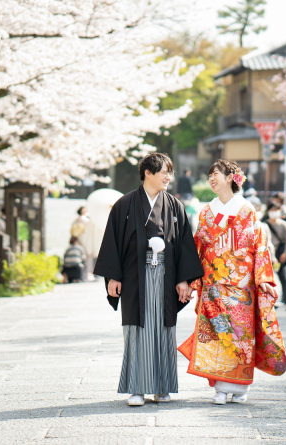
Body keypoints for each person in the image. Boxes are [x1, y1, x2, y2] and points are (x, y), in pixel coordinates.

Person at [94, 153, 203, 406]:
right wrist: (113, 277)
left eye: (170, 172)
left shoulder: (175, 206)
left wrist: (184, 280)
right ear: (147, 173)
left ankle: (162, 387)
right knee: (137, 329)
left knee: (164, 329)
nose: (168, 177)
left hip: (166, 275)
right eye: (164, 172)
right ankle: (137, 388)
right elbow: (112, 242)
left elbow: (184, 244)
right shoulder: (124, 204)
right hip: (134, 276)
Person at [179, 160, 286, 405]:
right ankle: (220, 388)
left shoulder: (246, 209)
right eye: (210, 174)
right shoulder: (207, 211)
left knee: (240, 337)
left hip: (241, 286)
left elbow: (259, 246)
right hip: (213, 284)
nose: (211, 178)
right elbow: (198, 246)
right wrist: (191, 279)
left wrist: (263, 278)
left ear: (231, 177)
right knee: (217, 335)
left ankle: (239, 387)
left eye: (216, 173)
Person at [265, 200, 286, 311]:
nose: (274, 212)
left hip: (281, 253)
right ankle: (271, 301)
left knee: (284, 277)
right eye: (272, 210)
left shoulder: (284, 224)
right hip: (268, 254)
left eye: (276, 210)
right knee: (269, 279)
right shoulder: (264, 225)